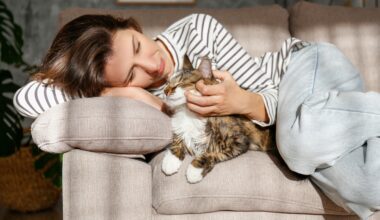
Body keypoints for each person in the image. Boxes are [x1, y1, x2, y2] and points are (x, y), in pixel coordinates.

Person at [13, 14, 379, 219]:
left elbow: (269, 93)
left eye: (138, 46)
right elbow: (27, 99)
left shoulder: (197, 31)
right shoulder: (144, 92)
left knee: (300, 145)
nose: (152, 64)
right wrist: (118, 91)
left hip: (304, 70)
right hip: (329, 118)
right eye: (132, 73)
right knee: (364, 188)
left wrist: (240, 101)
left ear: (133, 27)